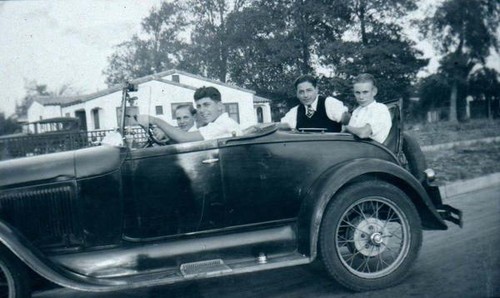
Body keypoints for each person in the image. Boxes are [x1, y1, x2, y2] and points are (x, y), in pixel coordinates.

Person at [135, 86, 241, 143]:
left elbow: (184, 137)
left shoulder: (223, 124)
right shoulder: (218, 124)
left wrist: (154, 120)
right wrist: (169, 137)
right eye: (198, 106)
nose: (202, 110)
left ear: (219, 106)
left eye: (206, 105)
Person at [280, 74, 350, 132]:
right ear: (297, 94)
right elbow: (281, 126)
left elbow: (347, 120)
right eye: (301, 92)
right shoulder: (295, 111)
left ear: (316, 89)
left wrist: (344, 118)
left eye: (309, 90)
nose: (305, 95)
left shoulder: (329, 103)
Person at [344, 73, 392, 143]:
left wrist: (346, 127)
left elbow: (363, 133)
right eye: (357, 93)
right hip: (356, 148)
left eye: (365, 92)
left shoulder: (380, 109)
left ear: (374, 92)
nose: (361, 97)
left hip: (374, 151)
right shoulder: (357, 111)